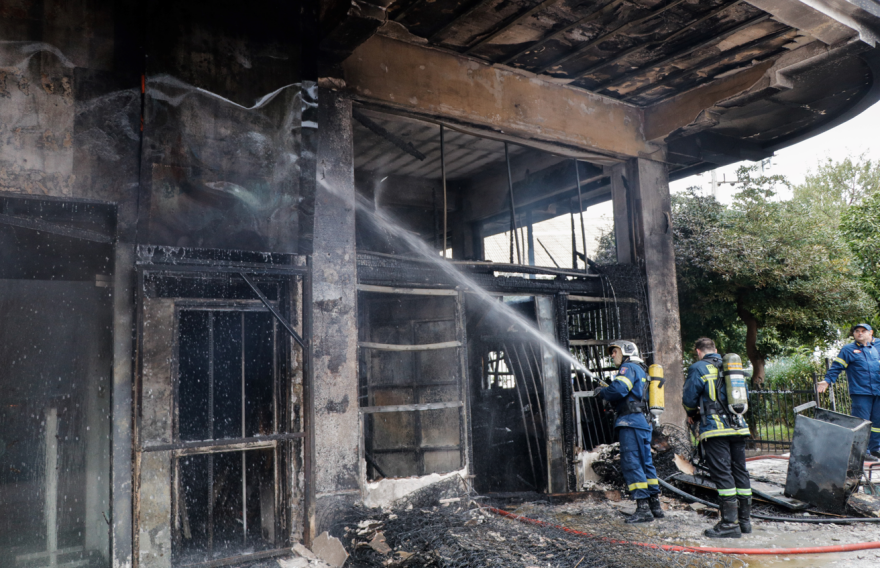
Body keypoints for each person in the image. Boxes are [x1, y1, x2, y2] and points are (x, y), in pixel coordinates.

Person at [682, 338, 752, 538]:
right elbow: (745, 396)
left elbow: (689, 398)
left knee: (723, 474)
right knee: (740, 472)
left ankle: (730, 524)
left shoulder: (698, 368)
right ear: (716, 350)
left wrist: (691, 413)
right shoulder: (732, 368)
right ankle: (745, 522)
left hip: (715, 429)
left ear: (698, 351)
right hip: (738, 427)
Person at [596, 340, 663, 523]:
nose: (612, 355)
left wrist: (603, 392)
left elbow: (619, 389)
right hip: (642, 422)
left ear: (625, 351)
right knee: (645, 463)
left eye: (614, 351)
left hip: (631, 422)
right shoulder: (640, 368)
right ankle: (655, 505)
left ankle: (643, 508)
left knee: (632, 462)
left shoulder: (628, 367)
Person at [817, 323, 880, 461]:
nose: (860, 333)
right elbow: (837, 367)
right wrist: (827, 380)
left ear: (871, 333)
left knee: (877, 423)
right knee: (861, 423)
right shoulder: (848, 350)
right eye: (857, 331)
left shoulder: (874, 350)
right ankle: (861, 452)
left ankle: (875, 449)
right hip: (861, 392)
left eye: (863, 331)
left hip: (878, 392)